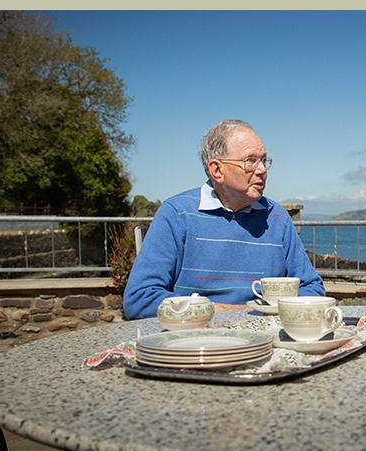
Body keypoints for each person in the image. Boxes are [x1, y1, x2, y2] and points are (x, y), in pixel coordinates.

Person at [123, 120, 325, 319]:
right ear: (217, 170)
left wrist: (272, 312)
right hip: (197, 342)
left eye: (264, 160)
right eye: (250, 161)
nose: (262, 169)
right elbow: (140, 299)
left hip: (266, 340)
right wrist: (220, 312)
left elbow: (312, 288)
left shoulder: (277, 217)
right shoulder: (177, 215)